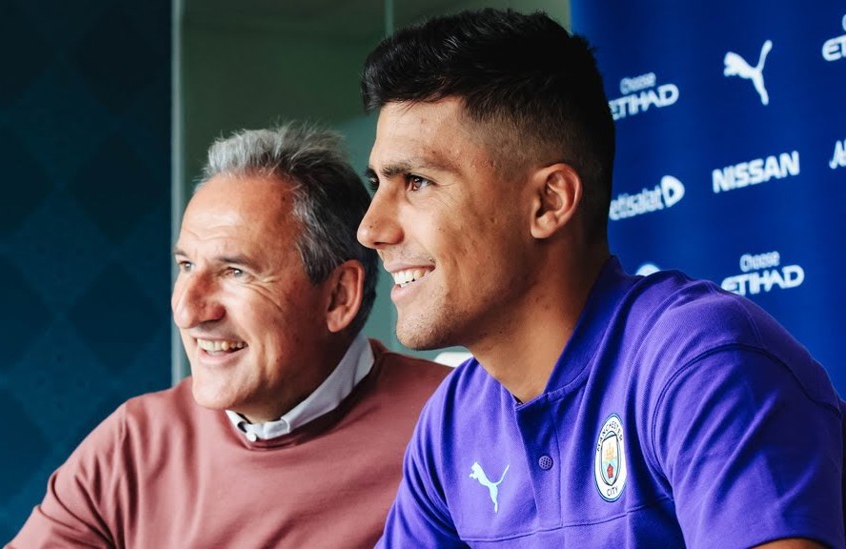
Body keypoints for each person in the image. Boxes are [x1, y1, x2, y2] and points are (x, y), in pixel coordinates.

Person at [357, 9, 844, 548]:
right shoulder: (451, 422)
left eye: (418, 182)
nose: (371, 228)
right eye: (377, 182)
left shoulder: (700, 361)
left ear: (549, 202)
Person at [9, 124, 450, 547]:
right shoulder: (135, 441)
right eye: (186, 266)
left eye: (235, 271)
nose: (188, 310)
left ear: (338, 296)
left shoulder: (455, 424)